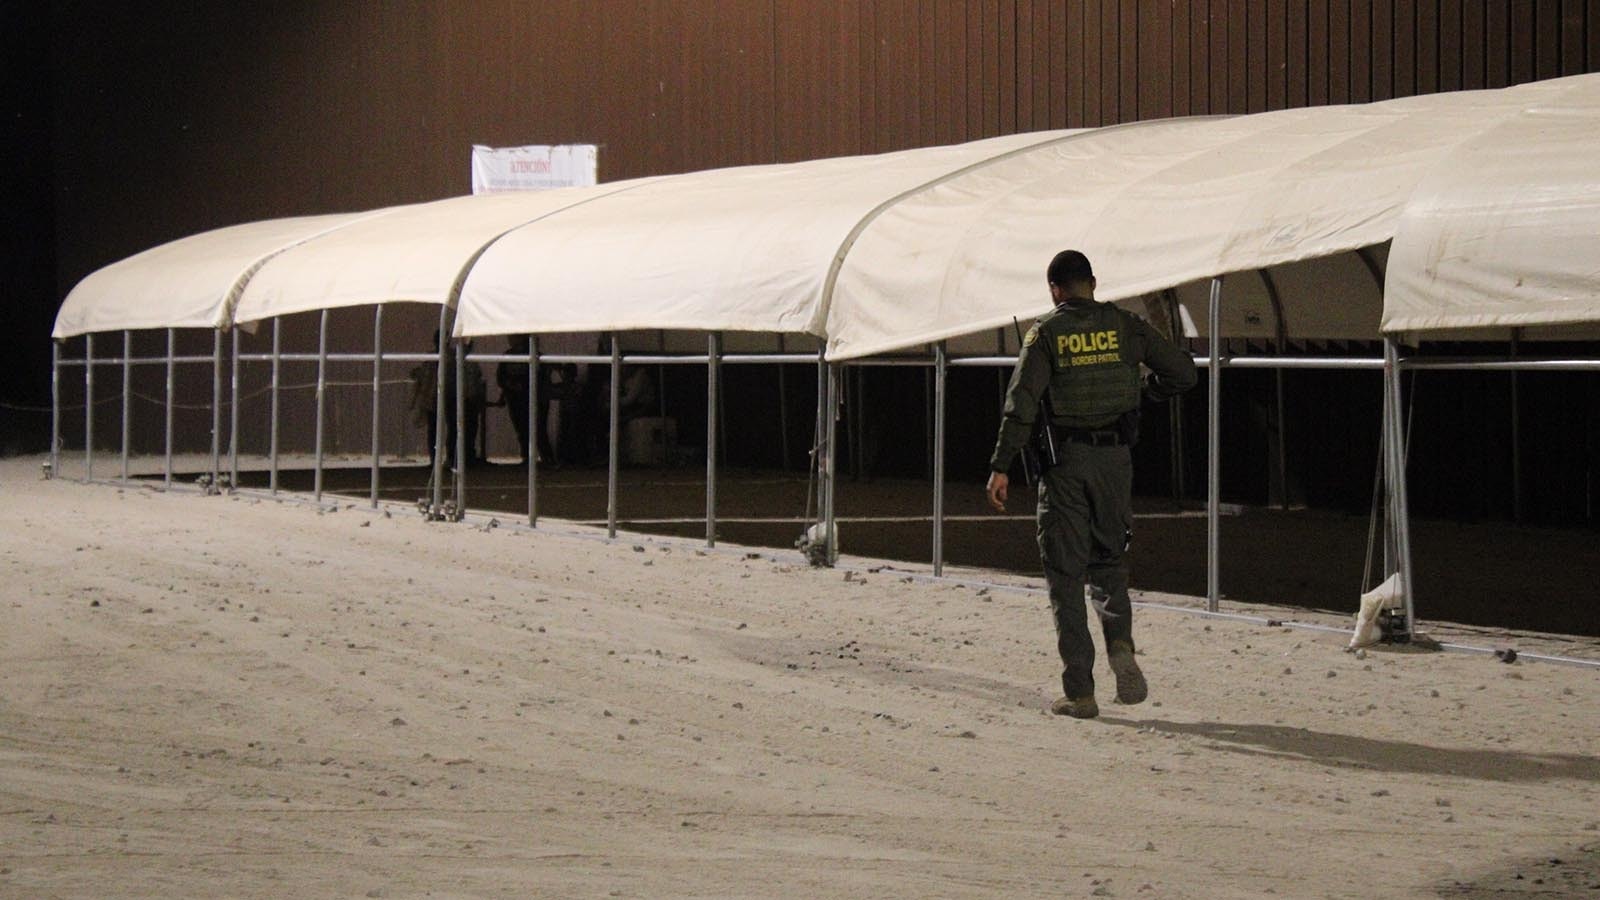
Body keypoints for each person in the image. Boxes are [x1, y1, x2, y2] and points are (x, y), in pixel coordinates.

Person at [985, 250, 1196, 719]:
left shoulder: (1046, 334)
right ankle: (1120, 643)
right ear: (1094, 283)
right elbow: (1183, 372)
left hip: (1065, 466)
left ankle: (1080, 692)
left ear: (1054, 289)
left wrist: (1001, 464)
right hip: (1115, 462)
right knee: (1110, 562)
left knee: (1065, 576)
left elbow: (1021, 401)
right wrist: (1144, 395)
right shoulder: (1126, 326)